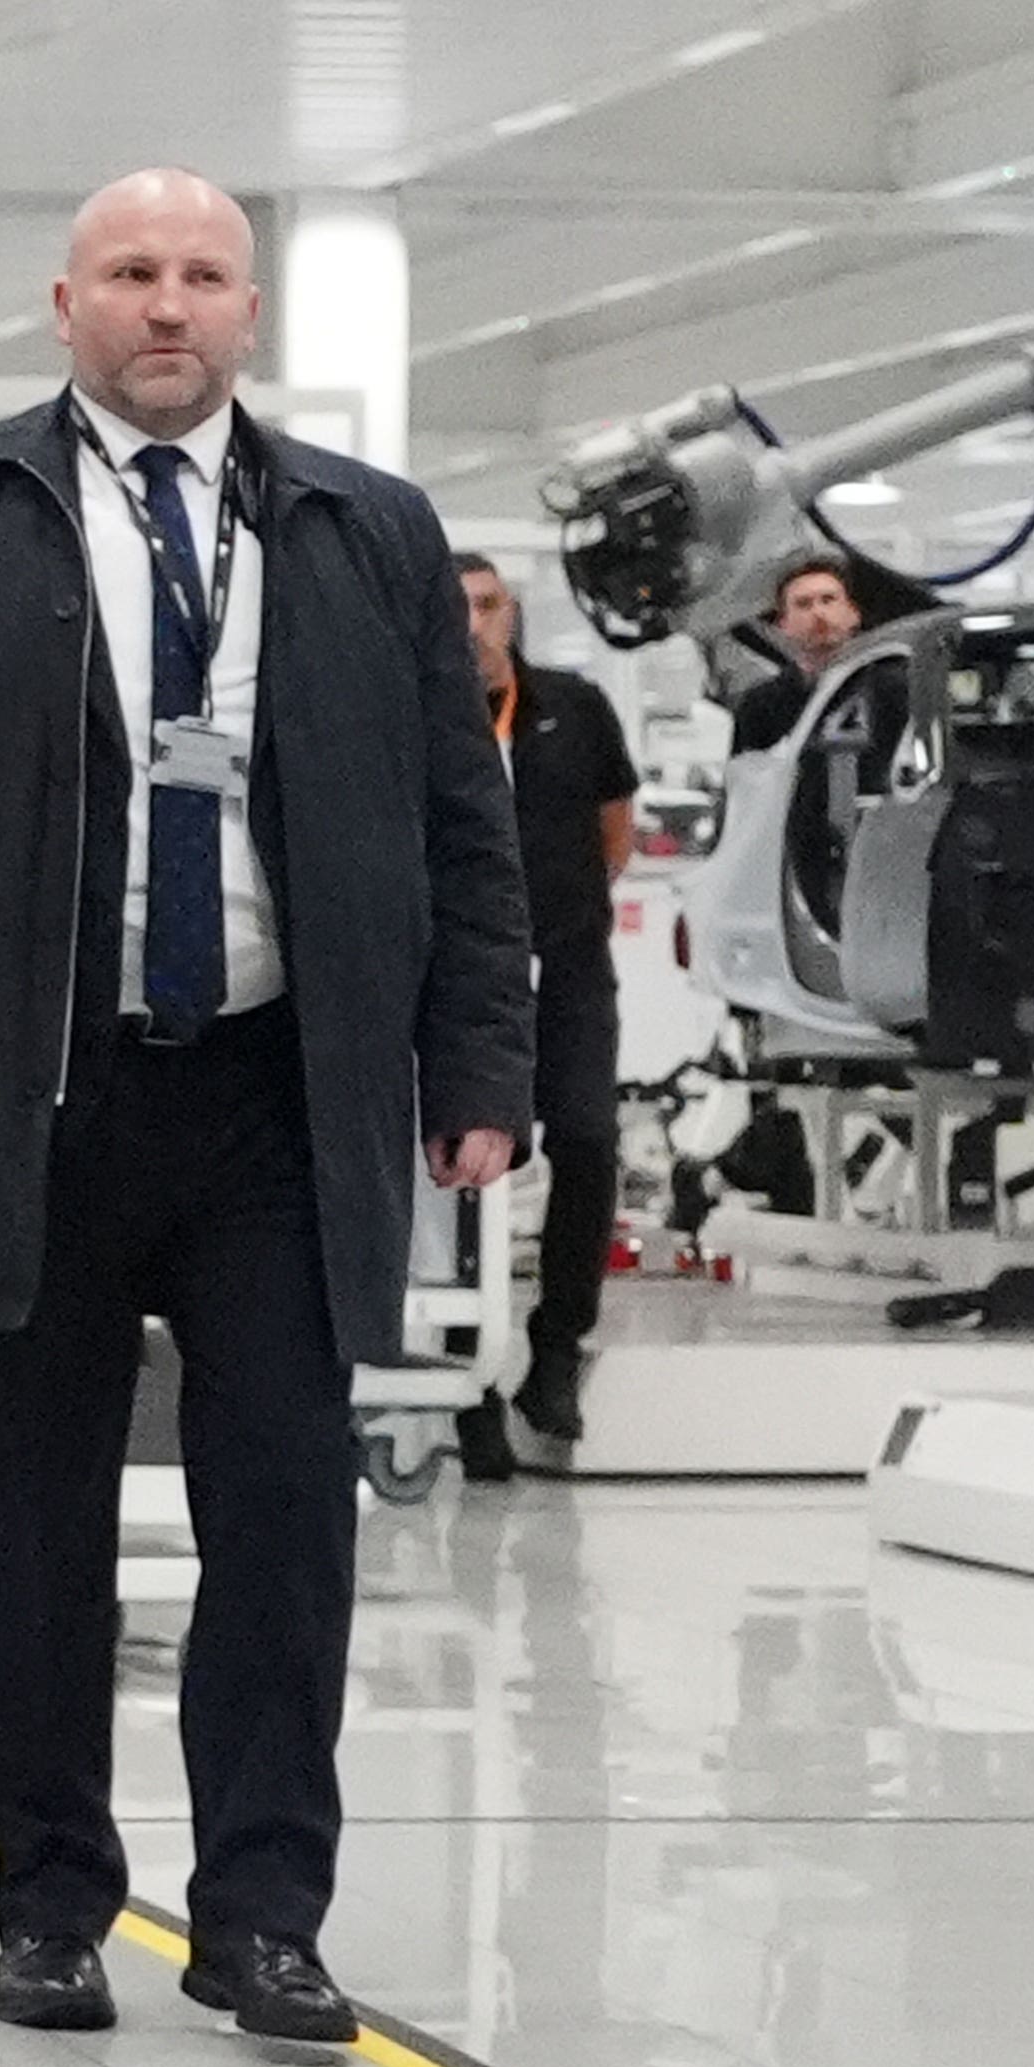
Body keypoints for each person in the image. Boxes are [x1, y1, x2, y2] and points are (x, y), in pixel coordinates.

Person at [0, 174, 531, 2052]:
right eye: (131, 275)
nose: (168, 307)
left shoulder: (367, 534)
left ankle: (264, 1915)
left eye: (203, 276)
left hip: (274, 1102)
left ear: (253, 313)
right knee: (31, 1526)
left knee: (289, 1520)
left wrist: (480, 1064)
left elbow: (465, 828)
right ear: (61, 302)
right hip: (27, 1100)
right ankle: (52, 1903)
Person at [461, 558, 634, 1463]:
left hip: (567, 968)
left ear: (512, 613)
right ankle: (466, 1379)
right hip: (461, 976)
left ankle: (557, 1345)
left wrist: (559, 913)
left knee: (588, 1138)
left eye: (487, 607)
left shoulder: (575, 708)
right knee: (466, 1159)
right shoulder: (421, 715)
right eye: (456, 611)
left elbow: (616, 833)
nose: (475, 626)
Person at [721, 553, 865, 751]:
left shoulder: (888, 687)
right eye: (803, 604)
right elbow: (748, 775)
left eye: (828, 600)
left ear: (853, 613)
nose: (818, 613)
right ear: (783, 624)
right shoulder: (762, 704)